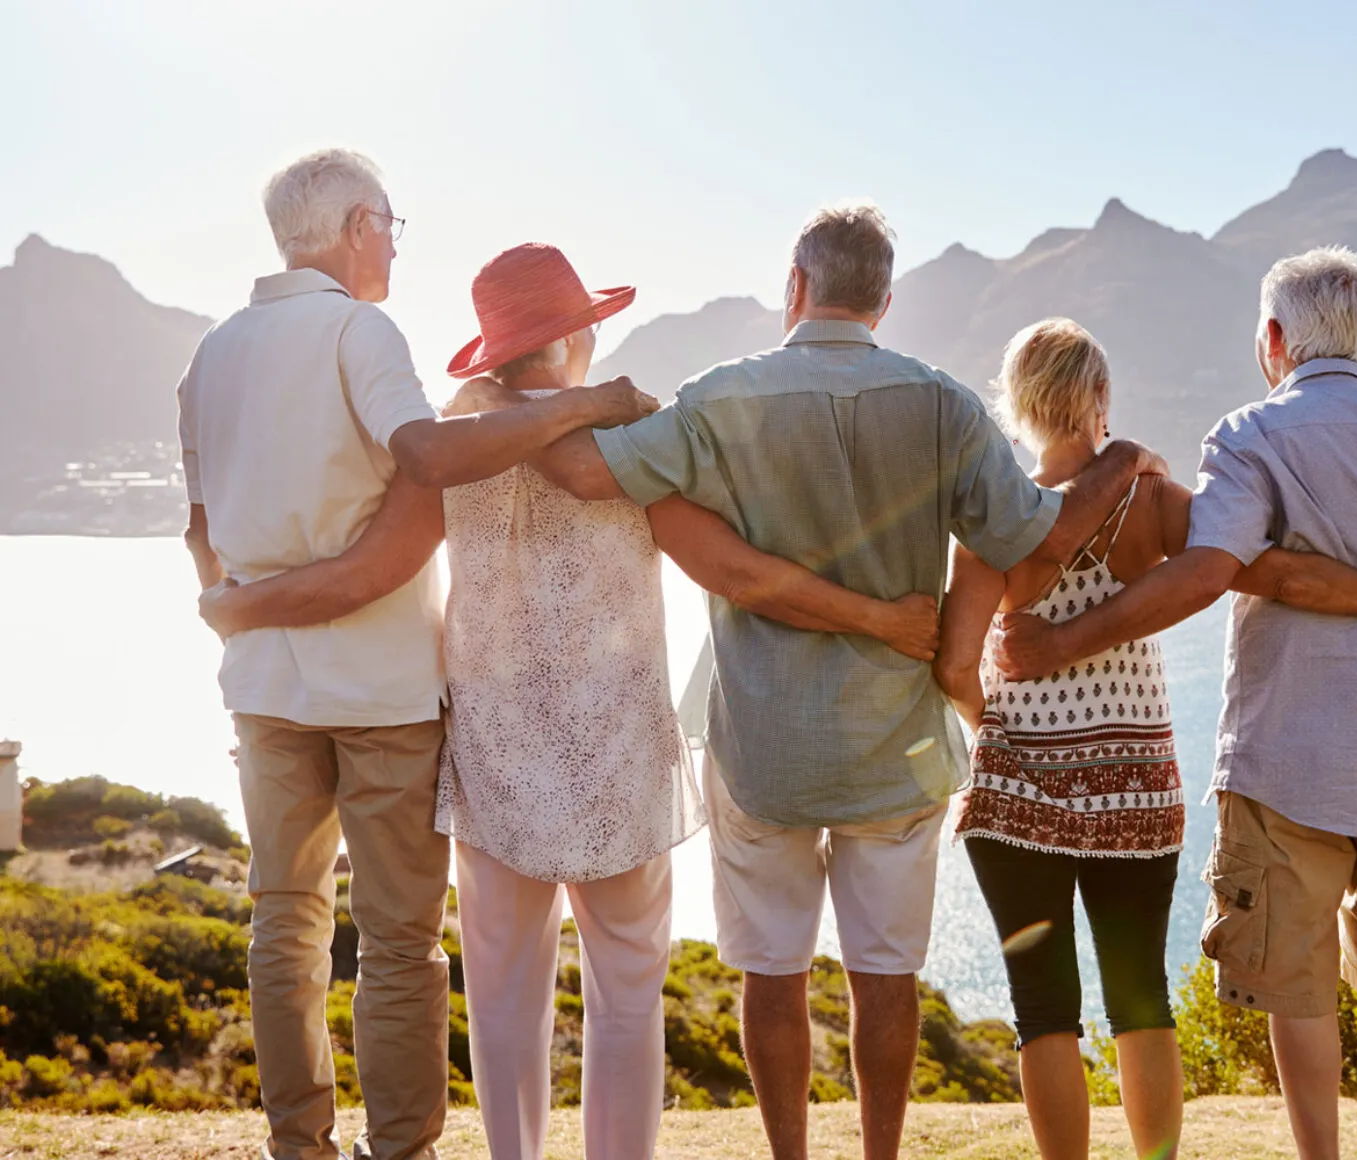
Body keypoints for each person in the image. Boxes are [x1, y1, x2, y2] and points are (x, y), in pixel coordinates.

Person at [199, 241, 945, 1160]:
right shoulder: (631, 441)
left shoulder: (454, 437)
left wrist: (242, 601)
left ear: (498, 349)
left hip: (497, 757)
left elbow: (376, 569)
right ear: (577, 336)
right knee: (628, 999)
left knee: (507, 1001)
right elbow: (727, 565)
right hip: (619, 759)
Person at [514, 201, 1170, 1160]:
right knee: (886, 976)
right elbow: (1035, 537)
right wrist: (1116, 461)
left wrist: (567, 399)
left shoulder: (720, 397)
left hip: (761, 744)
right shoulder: (945, 403)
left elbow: (579, 474)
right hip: (895, 747)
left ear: (795, 287)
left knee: (771, 976)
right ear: (885, 301)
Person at [177, 149, 658, 1160]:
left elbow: (201, 533)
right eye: (391, 223)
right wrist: (586, 402)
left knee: (283, 924)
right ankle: (401, 1148)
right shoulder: (359, 329)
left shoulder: (209, 355)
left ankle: (299, 1144)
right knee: (397, 939)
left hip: (262, 685)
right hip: (381, 688)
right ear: (357, 224)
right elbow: (427, 466)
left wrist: (240, 602)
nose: (394, 242)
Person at [991, 250, 1357, 1160]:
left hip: (1285, 759)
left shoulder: (1250, 436)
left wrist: (1060, 644)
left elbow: (1216, 572)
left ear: (1273, 339)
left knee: (1296, 987)